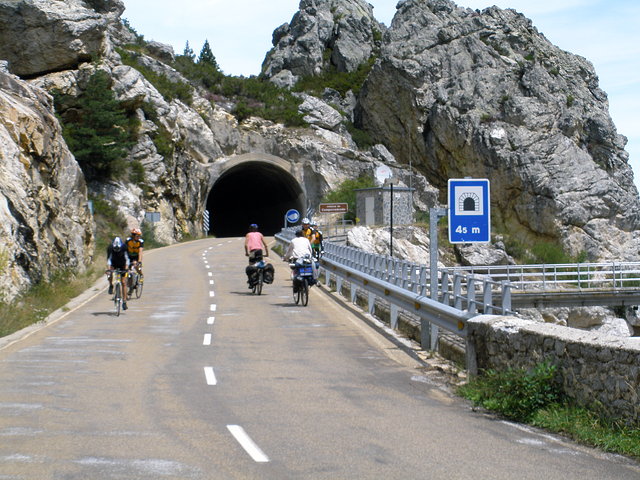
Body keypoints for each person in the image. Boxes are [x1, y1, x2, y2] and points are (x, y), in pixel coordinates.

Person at [107, 236, 130, 310]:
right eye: (115, 249)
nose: (117, 250)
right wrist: (109, 269)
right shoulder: (110, 248)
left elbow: (127, 260)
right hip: (114, 263)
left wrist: (126, 269)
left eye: (118, 249)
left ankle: (124, 301)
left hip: (123, 264)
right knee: (109, 273)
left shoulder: (124, 247)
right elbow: (109, 260)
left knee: (123, 282)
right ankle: (111, 285)